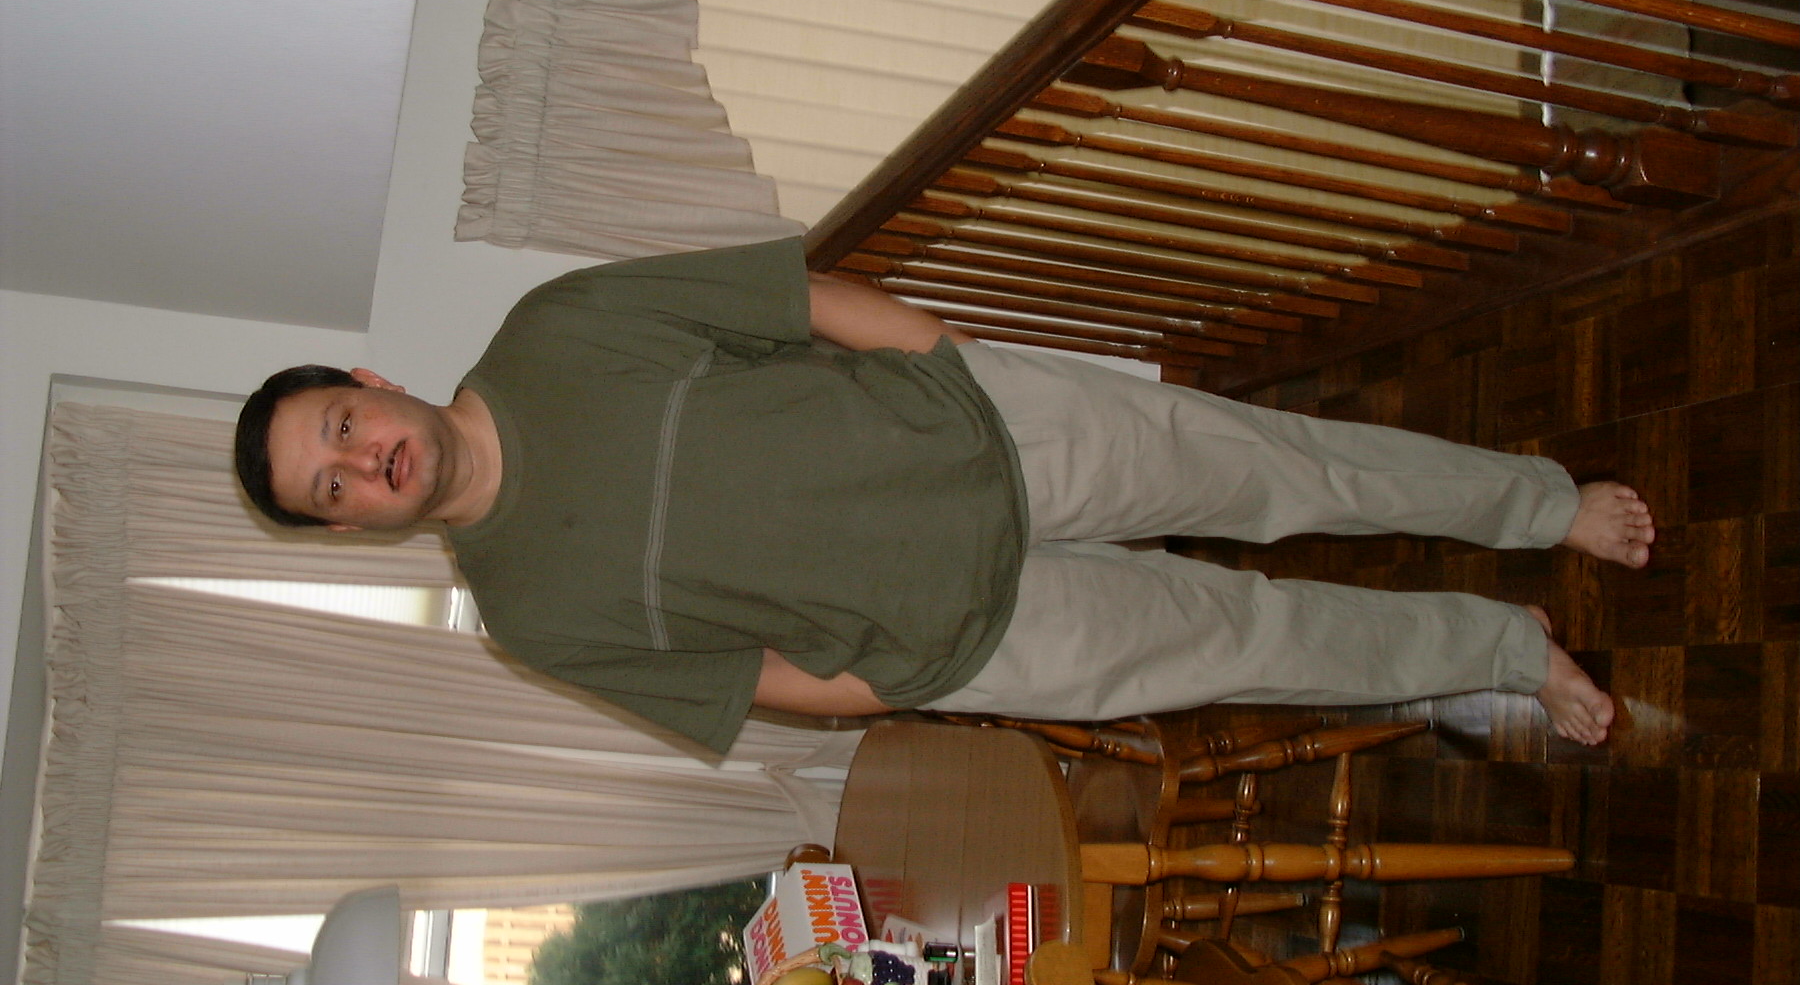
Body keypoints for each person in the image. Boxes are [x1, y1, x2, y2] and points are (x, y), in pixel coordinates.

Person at [236, 238, 1650, 754]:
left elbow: (786, 298)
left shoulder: (557, 329)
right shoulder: (526, 618)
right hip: (970, 638)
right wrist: (886, 689)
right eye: (331, 489)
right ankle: (1505, 650)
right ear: (349, 529)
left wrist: (945, 362)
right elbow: (744, 679)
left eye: (341, 428)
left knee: (1291, 469)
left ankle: (1543, 508)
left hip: (1001, 431)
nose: (363, 464)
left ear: (371, 381)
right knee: (1263, 642)